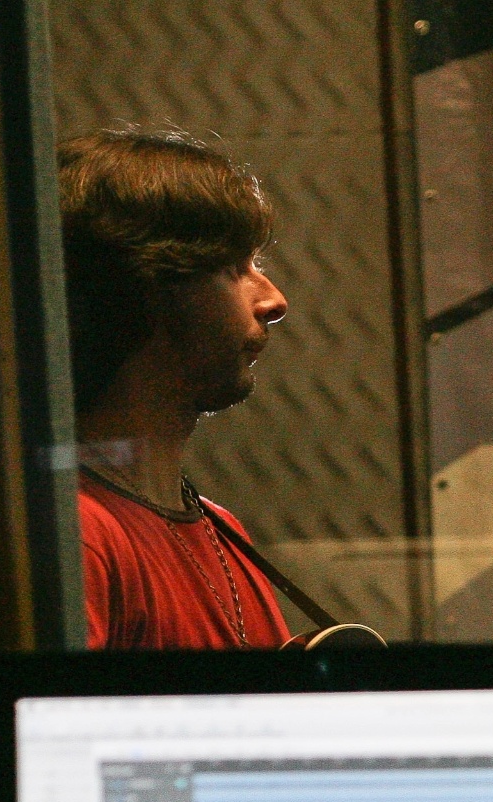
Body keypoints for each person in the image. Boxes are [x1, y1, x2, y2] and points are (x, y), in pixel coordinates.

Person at [62, 129, 296, 649]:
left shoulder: (221, 528)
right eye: (235, 269)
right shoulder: (79, 536)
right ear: (146, 288)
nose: (274, 300)